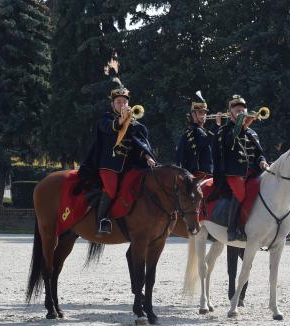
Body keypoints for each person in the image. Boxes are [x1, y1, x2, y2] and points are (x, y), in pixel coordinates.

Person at [80, 78, 157, 235]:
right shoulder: (105, 119)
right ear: (112, 104)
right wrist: (122, 120)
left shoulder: (133, 123)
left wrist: (147, 157)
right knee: (111, 189)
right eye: (118, 102)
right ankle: (102, 220)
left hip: (128, 166)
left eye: (124, 102)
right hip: (108, 165)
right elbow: (110, 129)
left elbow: (138, 143)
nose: (122, 105)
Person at [213, 94, 269, 242]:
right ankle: (232, 228)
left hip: (252, 172)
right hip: (234, 173)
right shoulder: (225, 130)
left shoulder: (252, 133)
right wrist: (241, 125)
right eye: (237, 110)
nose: (241, 113)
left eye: (243, 110)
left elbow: (259, 154)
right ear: (230, 112)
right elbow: (228, 142)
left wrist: (262, 161)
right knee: (240, 194)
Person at [175, 97, 221, 180]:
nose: (204, 115)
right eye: (200, 113)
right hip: (200, 173)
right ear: (193, 115)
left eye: (205, 113)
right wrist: (217, 124)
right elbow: (204, 142)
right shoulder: (193, 130)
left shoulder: (200, 130)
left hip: (208, 171)